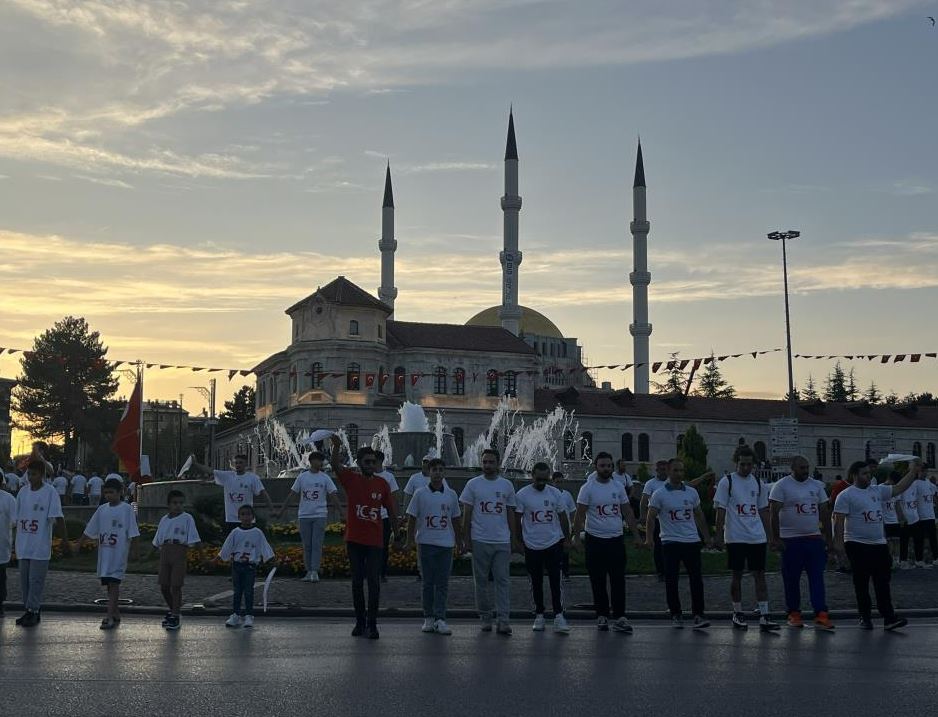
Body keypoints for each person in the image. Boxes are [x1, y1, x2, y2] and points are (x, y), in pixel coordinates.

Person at [833, 459, 921, 630]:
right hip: (857, 544)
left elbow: (899, 488)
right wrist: (839, 545)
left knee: (883, 583)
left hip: (879, 544)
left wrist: (912, 472)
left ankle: (889, 618)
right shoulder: (846, 495)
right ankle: (865, 617)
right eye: (864, 473)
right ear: (855, 475)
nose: (868, 476)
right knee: (861, 583)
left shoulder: (877, 490)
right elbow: (838, 521)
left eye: (869, 473)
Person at [330, 437, 398, 639]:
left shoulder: (382, 484)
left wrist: (397, 534)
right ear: (359, 463)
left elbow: (391, 510)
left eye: (373, 462)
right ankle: (360, 622)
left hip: (375, 540)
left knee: (374, 582)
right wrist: (336, 446)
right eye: (367, 462)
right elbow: (335, 465)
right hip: (354, 539)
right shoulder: (351, 479)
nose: (370, 465)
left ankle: (372, 623)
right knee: (357, 581)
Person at [572, 452, 643, 634]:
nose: (606, 469)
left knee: (618, 579)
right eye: (602, 466)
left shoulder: (618, 487)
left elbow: (627, 512)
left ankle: (620, 617)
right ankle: (602, 615)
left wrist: (636, 536)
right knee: (598, 580)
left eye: (609, 466)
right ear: (596, 467)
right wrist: (576, 538)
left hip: (615, 539)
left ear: (612, 467)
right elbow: (579, 515)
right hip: (595, 540)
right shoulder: (587, 488)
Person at [713, 445, 779, 632]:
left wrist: (771, 537)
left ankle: (764, 614)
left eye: (749, 464)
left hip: (756, 536)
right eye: (742, 464)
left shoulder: (758, 483)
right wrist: (718, 536)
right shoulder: (727, 482)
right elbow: (720, 509)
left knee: (760, 574)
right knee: (737, 575)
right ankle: (737, 612)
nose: (746, 468)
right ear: (736, 463)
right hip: (735, 536)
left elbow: (763, 511)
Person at [768, 455, 834, 630]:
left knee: (817, 577)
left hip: (814, 539)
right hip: (791, 540)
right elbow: (773, 513)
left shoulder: (816, 486)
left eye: (807, 468)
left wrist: (828, 539)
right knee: (791, 579)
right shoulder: (781, 486)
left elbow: (824, 512)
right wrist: (776, 538)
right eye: (802, 468)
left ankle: (821, 613)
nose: (805, 471)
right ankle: (794, 613)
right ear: (793, 468)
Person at [646, 457, 712, 630]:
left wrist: (706, 536)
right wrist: (649, 538)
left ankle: (698, 614)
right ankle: (676, 613)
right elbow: (651, 517)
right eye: (675, 470)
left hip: (691, 541)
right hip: (670, 541)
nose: (679, 474)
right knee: (671, 579)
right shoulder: (659, 494)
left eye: (681, 470)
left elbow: (699, 515)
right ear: (668, 471)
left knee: (696, 579)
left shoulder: (691, 492)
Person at [459, 447, 519, 635]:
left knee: (503, 581)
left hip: (502, 540)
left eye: (491, 462)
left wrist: (514, 538)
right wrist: (465, 539)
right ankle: (485, 617)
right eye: (484, 462)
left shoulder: (506, 485)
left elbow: (510, 513)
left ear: (498, 463)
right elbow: (467, 513)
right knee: (481, 582)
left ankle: (503, 619)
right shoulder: (473, 484)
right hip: (480, 539)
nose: (487, 465)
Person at [404, 457, 461, 636]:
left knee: (442, 583)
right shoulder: (420, 493)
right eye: (434, 469)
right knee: (428, 583)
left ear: (444, 472)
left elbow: (456, 518)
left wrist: (460, 541)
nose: (437, 473)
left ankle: (440, 618)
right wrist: (409, 540)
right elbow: (412, 518)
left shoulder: (451, 494)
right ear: (429, 472)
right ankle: (428, 616)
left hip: (446, 543)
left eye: (440, 470)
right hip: (426, 542)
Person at [514, 462, 571, 634]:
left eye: (545, 479)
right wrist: (518, 541)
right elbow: (517, 519)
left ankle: (559, 615)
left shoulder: (555, 493)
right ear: (532, 476)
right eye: (538, 479)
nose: (541, 482)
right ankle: (539, 614)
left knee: (556, 581)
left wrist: (567, 539)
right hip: (532, 544)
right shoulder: (522, 494)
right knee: (535, 581)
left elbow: (562, 517)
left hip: (553, 542)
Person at [14, 460, 70, 627]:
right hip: (24, 544)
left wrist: (65, 540)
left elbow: (58, 517)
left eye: (34, 474)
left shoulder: (50, 492)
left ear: (42, 475)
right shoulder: (23, 492)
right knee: (25, 581)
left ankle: (34, 610)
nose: (31, 478)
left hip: (39, 546)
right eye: (29, 474)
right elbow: (16, 518)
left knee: (35, 580)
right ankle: (28, 609)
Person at [77, 478, 139, 630]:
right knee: (109, 586)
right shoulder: (102, 509)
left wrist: (134, 550)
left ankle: (109, 616)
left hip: (118, 554)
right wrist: (79, 543)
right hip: (105, 554)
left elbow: (133, 531)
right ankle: (116, 613)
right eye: (106, 493)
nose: (108, 495)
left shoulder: (126, 510)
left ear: (120, 492)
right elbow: (90, 528)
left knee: (114, 583)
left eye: (111, 492)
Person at [277, 451, 339, 582]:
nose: (320, 463)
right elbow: (292, 495)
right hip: (304, 514)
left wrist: (342, 511)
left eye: (321, 461)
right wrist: (281, 510)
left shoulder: (325, 478)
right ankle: (308, 570)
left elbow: (333, 495)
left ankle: (315, 571)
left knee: (317, 543)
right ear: (311, 461)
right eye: (318, 460)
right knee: (307, 545)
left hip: (320, 514)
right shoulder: (302, 477)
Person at [218, 505, 275, 629]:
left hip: (250, 567)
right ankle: (235, 615)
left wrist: (271, 559)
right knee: (237, 591)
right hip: (237, 566)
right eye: (243, 514)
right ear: (239, 517)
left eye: (248, 514)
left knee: (249, 591)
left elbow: (264, 547)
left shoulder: (257, 533)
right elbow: (227, 547)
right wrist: (219, 558)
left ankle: (249, 615)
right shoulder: (235, 532)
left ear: (253, 516)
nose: (246, 517)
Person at [153, 489, 202, 630]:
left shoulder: (187, 518)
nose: (178, 506)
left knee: (176, 585)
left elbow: (195, 538)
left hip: (179, 550)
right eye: (175, 503)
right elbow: (157, 539)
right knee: (164, 585)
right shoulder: (164, 519)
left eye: (181, 503)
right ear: (169, 504)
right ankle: (174, 609)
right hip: (165, 550)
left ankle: (175, 615)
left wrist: (202, 556)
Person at [192, 454, 272, 532]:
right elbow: (210, 471)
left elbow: (263, 493)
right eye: (236, 463)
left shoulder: (253, 478)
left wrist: (271, 509)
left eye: (240, 463)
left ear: (246, 464)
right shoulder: (228, 476)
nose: (238, 465)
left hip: (246, 519)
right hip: (230, 519)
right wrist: (195, 464)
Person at [639, 460, 669, 581]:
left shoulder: (671, 482)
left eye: (665, 469)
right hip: (656, 519)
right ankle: (661, 572)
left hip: (669, 519)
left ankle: (670, 569)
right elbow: (643, 501)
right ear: (657, 470)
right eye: (661, 469)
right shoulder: (650, 484)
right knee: (658, 546)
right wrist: (643, 515)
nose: (663, 472)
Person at [373, 450, 400, 583]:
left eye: (373, 461)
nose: (371, 464)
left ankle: (382, 573)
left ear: (380, 461)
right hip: (370, 516)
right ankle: (372, 571)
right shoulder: (367, 476)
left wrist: (395, 515)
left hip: (384, 517)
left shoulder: (389, 477)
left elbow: (394, 497)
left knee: (383, 546)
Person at [552, 471, 576, 582]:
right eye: (557, 482)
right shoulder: (550, 494)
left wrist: (573, 525)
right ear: (553, 482)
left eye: (561, 482)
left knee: (565, 551)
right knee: (555, 552)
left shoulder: (567, 495)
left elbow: (572, 510)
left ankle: (566, 573)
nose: (559, 484)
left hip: (565, 528)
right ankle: (556, 572)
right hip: (553, 528)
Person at [897, 471, 924, 569]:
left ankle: (919, 560)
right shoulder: (901, 486)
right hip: (906, 519)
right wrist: (901, 518)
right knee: (904, 541)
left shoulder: (914, 485)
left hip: (915, 517)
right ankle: (903, 561)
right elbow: (897, 502)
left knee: (918, 539)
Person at [914, 470, 937, 566]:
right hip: (921, 516)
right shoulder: (915, 483)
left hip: (931, 515)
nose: (924, 473)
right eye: (923, 471)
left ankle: (936, 558)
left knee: (933, 538)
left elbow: (934, 495)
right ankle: (919, 559)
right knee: (919, 538)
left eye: (925, 471)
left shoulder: (928, 482)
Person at [882, 471, 904, 568]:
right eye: (894, 482)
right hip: (885, 521)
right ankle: (889, 561)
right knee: (889, 543)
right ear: (889, 479)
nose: (894, 485)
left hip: (894, 521)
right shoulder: (880, 489)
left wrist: (901, 519)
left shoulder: (895, 490)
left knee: (897, 541)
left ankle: (896, 561)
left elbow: (897, 506)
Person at [0, 484, 15, 617]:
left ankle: (0, 605)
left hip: (2, 544)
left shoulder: (9, 499)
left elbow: (15, 521)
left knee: (1, 577)